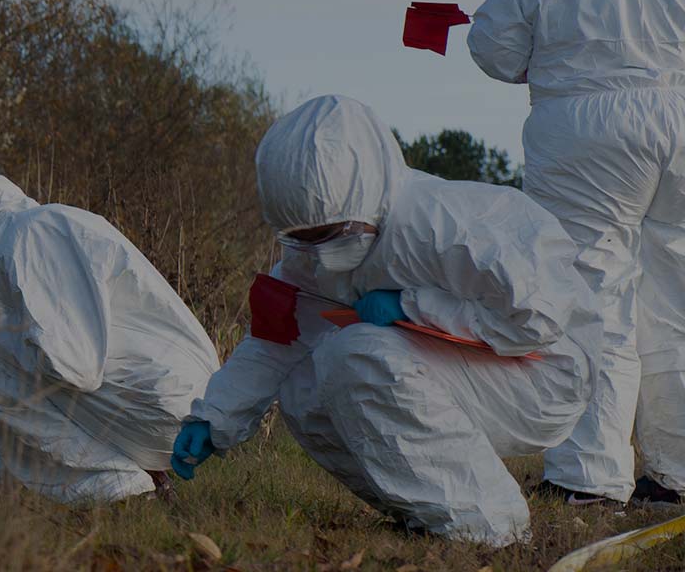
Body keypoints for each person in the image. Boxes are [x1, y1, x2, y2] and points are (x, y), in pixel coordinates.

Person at [173, 96, 599, 546]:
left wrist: (411, 306)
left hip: (546, 373)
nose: (320, 253)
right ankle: (425, 512)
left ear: (365, 195)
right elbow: (277, 342)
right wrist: (215, 417)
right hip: (468, 364)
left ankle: (488, 526)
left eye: (331, 234)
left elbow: (539, 319)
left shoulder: (443, 225)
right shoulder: (308, 254)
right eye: (303, 239)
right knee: (303, 387)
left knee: (356, 354)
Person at [469, 0, 685, 505]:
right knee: (675, 304)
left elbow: (496, 49)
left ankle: (589, 474)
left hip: (587, 122)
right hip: (680, 113)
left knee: (591, 297)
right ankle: (676, 475)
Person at [0, 172, 218, 505]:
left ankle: (117, 489)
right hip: (186, 407)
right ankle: (80, 475)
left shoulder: (25, 236)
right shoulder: (32, 231)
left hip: (164, 408)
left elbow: (74, 365)